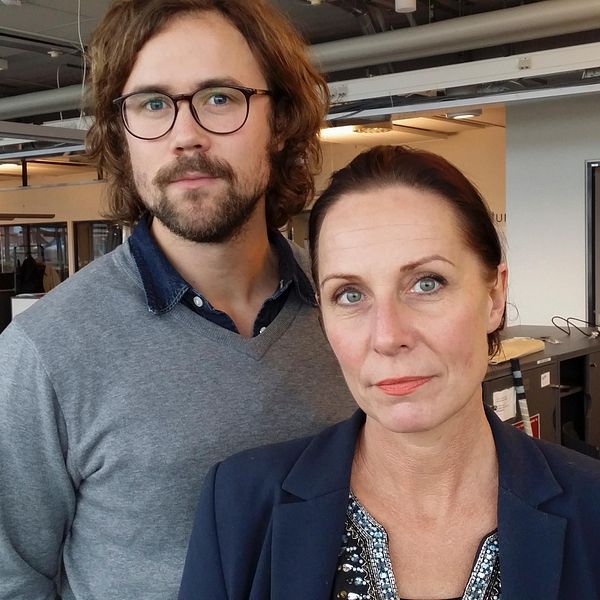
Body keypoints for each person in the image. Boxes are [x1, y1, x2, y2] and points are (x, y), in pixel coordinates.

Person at [0, 1, 353, 598]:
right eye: (153, 103)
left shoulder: (350, 314)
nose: (185, 135)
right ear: (122, 132)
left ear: (282, 121)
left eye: (220, 97)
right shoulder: (44, 353)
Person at [179, 145, 600, 600]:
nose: (387, 336)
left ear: (494, 296)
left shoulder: (591, 508)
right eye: (350, 295)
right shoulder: (241, 505)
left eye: (426, 283)